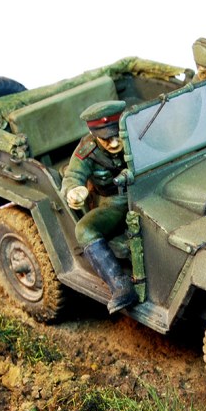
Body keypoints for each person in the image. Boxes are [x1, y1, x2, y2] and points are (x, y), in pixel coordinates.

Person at [61, 100, 137, 313]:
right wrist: (73, 192)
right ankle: (120, 285)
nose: (113, 143)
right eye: (106, 139)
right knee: (84, 230)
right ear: (94, 135)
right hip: (115, 202)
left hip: (147, 191)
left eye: (116, 136)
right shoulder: (87, 150)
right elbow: (72, 176)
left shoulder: (136, 131)